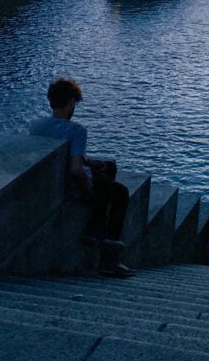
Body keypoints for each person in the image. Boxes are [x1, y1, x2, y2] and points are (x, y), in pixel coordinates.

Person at [29, 77, 133, 277]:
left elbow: (63, 153)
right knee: (120, 192)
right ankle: (109, 258)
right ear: (70, 103)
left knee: (107, 167)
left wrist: (88, 161)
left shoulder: (36, 126)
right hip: (71, 184)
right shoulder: (76, 131)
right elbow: (76, 170)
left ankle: (94, 226)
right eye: (74, 103)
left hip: (51, 179)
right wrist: (88, 192)